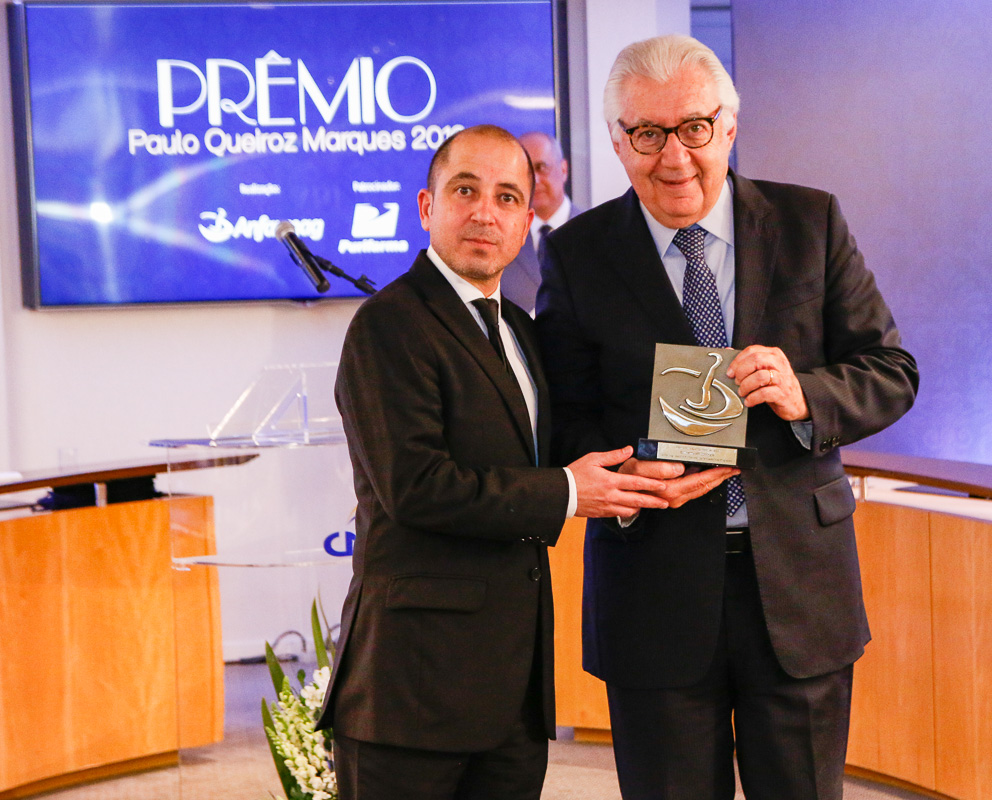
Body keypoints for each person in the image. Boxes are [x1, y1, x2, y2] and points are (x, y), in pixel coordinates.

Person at [535, 35, 919, 800]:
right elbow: (564, 417)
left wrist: (805, 392)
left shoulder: (810, 221)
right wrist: (626, 474)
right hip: (652, 589)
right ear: (617, 141)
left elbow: (891, 372)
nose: (674, 156)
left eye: (694, 128)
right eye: (648, 134)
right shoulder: (577, 254)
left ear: (730, 127)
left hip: (799, 590)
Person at [317, 124, 668, 800]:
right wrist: (570, 493)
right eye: (465, 191)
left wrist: (634, 472)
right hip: (411, 694)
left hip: (510, 696)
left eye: (508, 197)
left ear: (527, 219)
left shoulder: (521, 331)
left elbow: (547, 453)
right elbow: (415, 487)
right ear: (427, 207)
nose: (486, 212)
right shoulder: (389, 324)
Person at [499, 131, 583, 314]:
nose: (535, 180)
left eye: (541, 167)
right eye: (526, 172)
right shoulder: (500, 238)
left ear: (563, 169)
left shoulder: (597, 232)